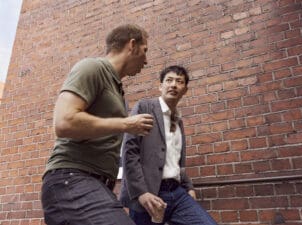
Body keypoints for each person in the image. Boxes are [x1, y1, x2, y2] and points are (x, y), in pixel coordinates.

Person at [41, 24, 154, 225]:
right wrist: (125, 124)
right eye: (145, 51)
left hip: (98, 185)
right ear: (132, 44)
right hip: (71, 179)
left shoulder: (117, 90)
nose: (146, 61)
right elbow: (64, 122)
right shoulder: (92, 67)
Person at [120, 65, 218, 225]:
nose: (173, 85)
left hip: (177, 192)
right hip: (149, 194)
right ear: (160, 86)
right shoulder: (144, 107)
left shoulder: (178, 121)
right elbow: (130, 153)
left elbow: (176, 161)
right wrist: (141, 193)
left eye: (179, 81)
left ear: (185, 89)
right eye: (169, 80)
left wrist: (189, 187)